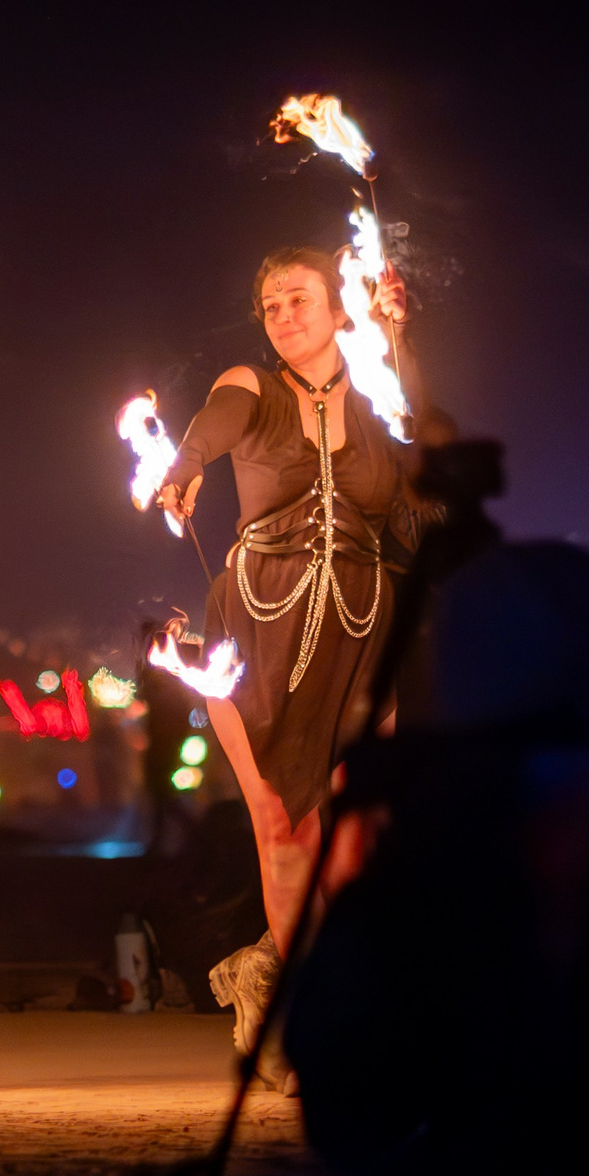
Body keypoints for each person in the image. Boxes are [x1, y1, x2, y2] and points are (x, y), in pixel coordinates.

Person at [155, 244, 426, 1068]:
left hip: (361, 624)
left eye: (300, 299)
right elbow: (216, 420)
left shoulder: (383, 395)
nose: (283, 316)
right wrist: (187, 461)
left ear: (340, 308)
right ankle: (309, 1017)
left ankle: (292, 972)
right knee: (282, 821)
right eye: (271, 304)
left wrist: (399, 341)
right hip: (257, 622)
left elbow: (422, 482)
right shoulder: (253, 385)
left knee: (355, 826)